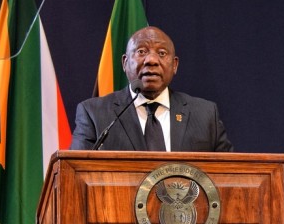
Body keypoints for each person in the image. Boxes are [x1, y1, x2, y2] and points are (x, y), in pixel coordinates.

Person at [71, 26, 233, 152]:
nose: (152, 60)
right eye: (141, 51)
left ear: (175, 65)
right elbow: (75, 175)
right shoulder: (93, 113)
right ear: (125, 63)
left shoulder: (205, 114)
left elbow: (230, 174)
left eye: (162, 53)